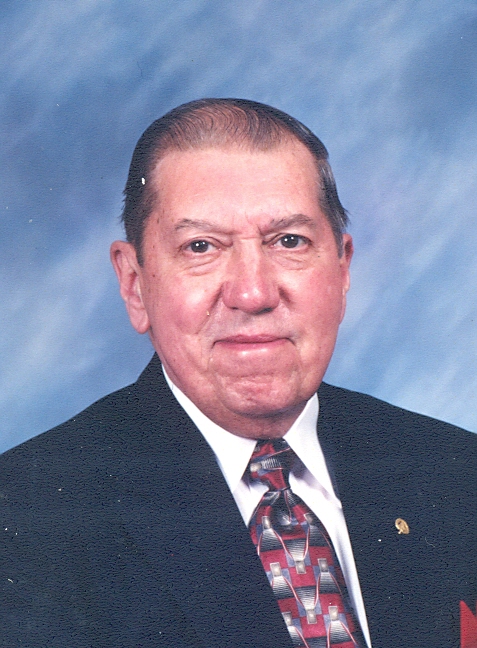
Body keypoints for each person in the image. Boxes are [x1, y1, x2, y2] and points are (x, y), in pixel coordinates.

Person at [1, 98, 476, 648]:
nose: (253, 293)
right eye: (201, 247)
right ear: (134, 285)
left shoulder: (455, 470)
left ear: (342, 269)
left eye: (289, 241)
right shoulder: (29, 520)